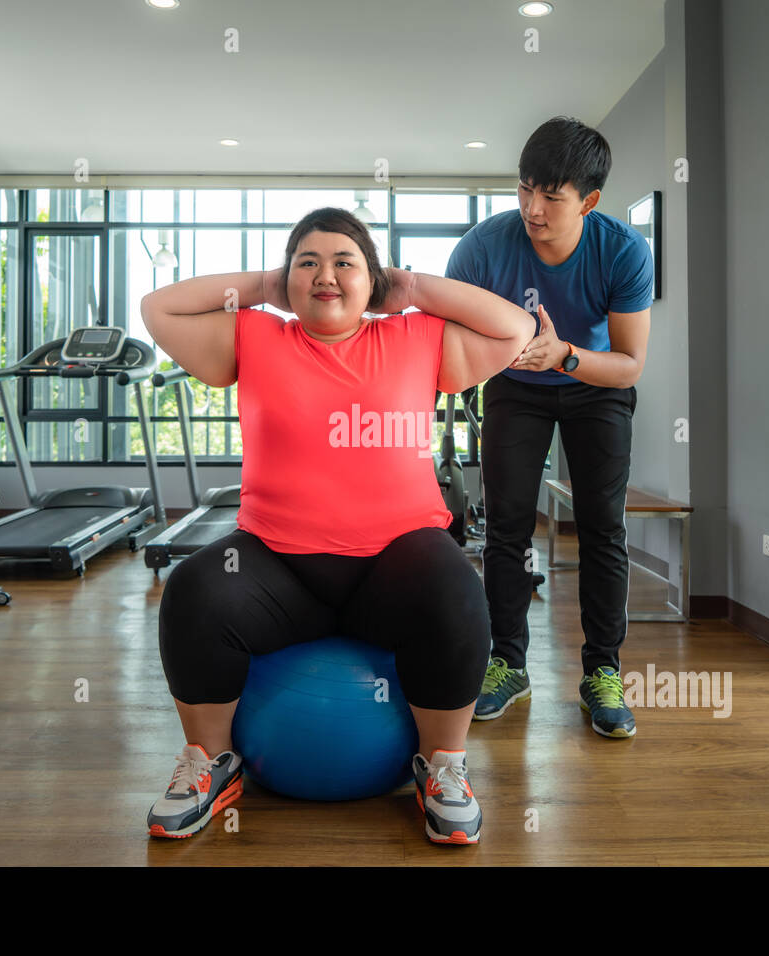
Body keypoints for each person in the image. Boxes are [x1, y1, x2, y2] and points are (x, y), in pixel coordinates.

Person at [140, 207, 535, 842]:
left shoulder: (417, 338)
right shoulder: (253, 337)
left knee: (457, 586)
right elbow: (159, 308)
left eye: (345, 263)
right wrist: (267, 287)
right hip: (276, 568)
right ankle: (210, 763)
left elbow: (515, 328)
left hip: (395, 566)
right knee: (194, 589)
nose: (326, 275)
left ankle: (444, 769)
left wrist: (409, 288)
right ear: (287, 279)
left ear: (371, 280)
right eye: (308, 263)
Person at [446, 117, 653, 737]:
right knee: (506, 528)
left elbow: (629, 365)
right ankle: (507, 662)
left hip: (593, 385)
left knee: (601, 527)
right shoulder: (483, 247)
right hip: (515, 385)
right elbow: (450, 334)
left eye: (552, 197)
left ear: (589, 201)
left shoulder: (623, 250)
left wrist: (563, 355)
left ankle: (602, 672)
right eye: (524, 189)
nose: (533, 209)